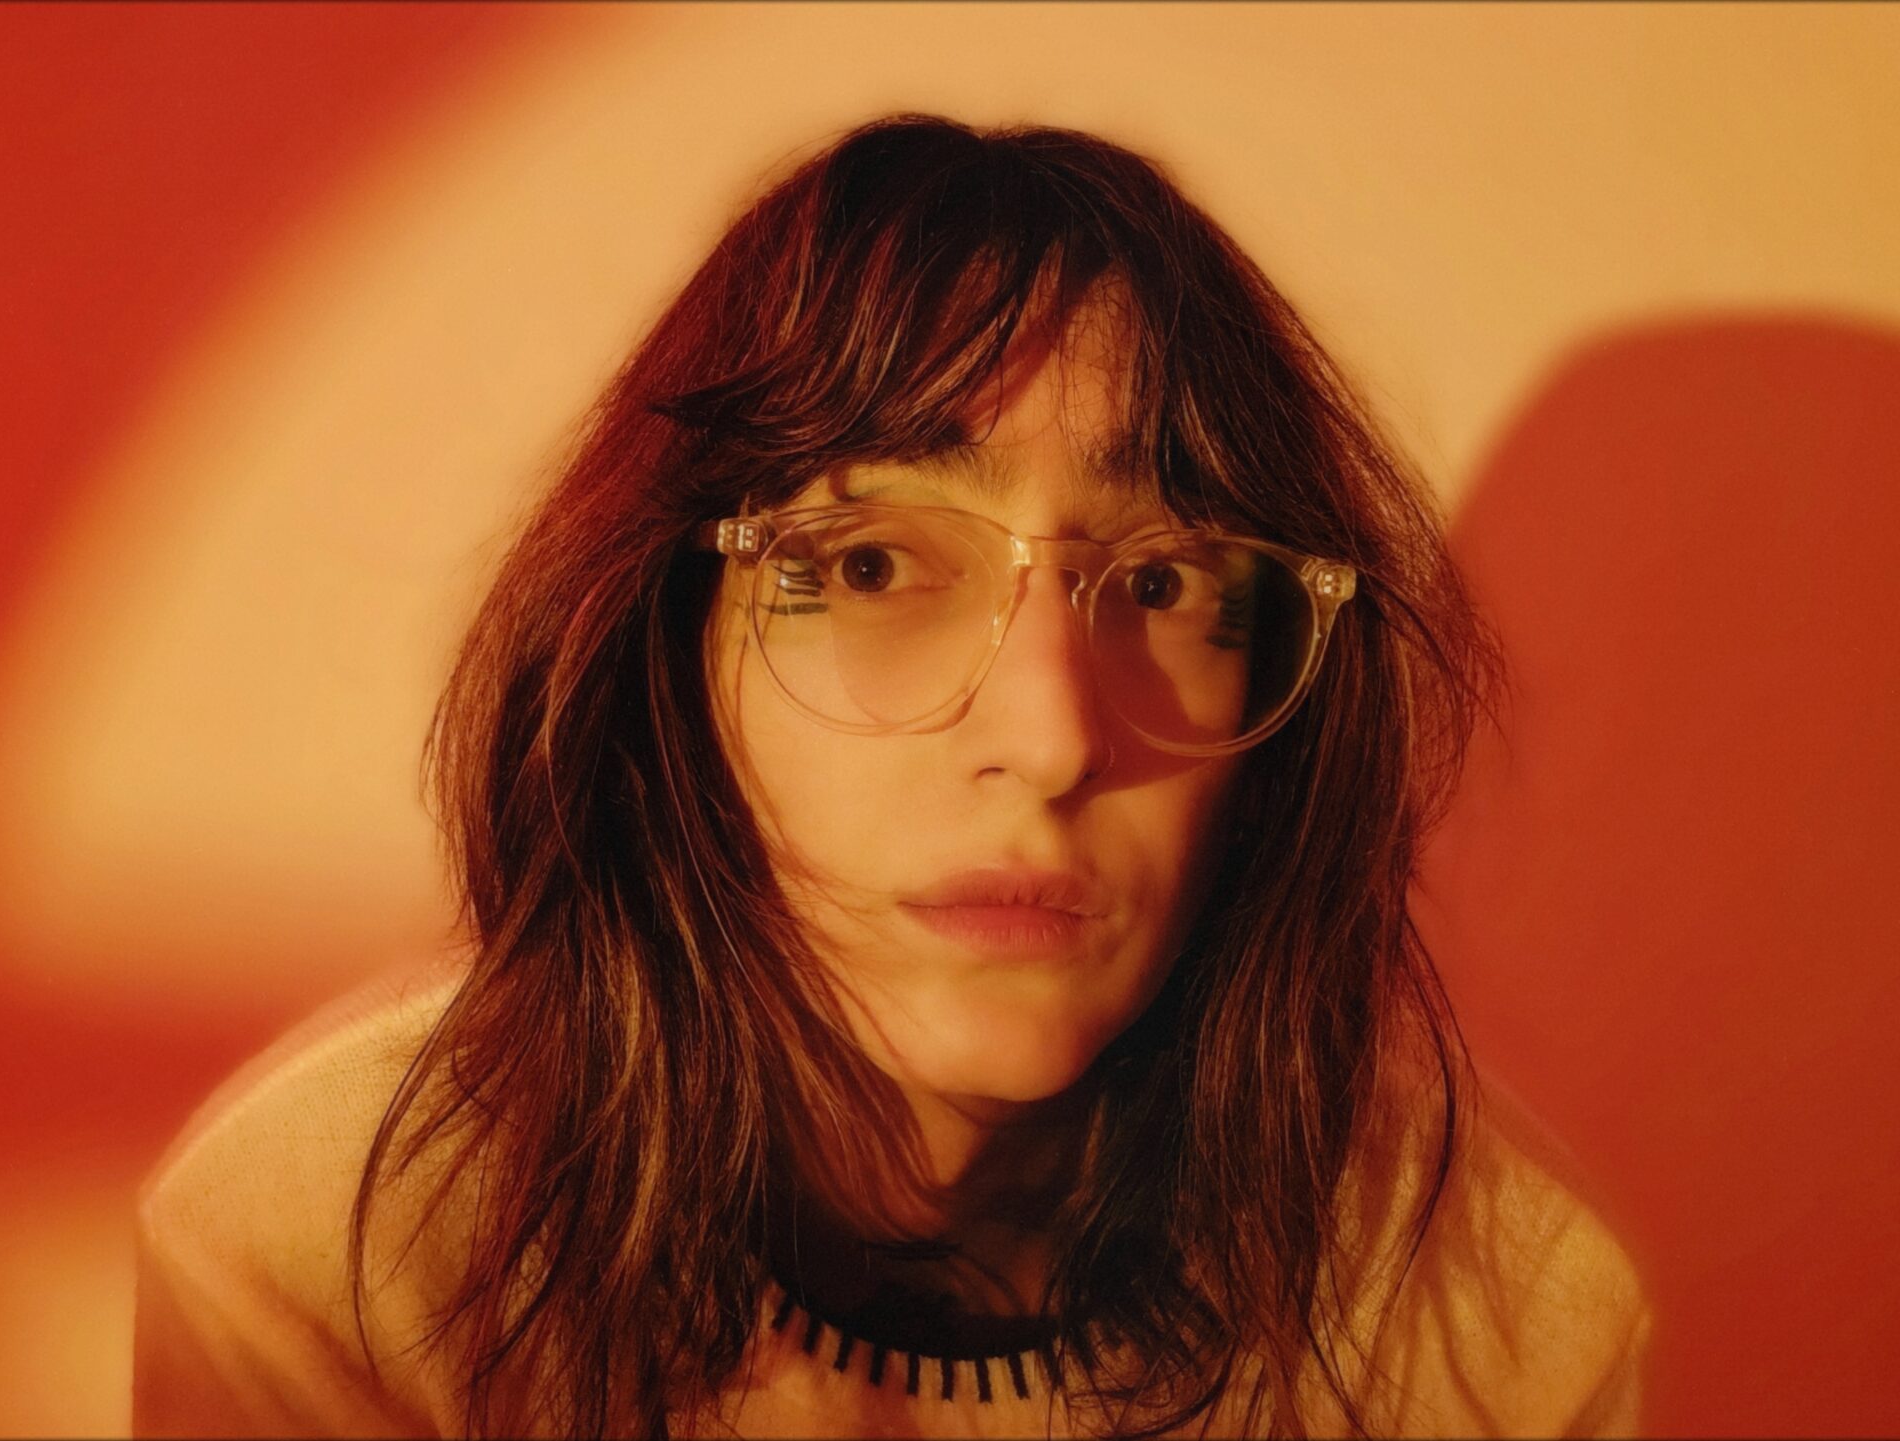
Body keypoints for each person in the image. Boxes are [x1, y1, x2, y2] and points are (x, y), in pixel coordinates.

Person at [132, 114, 1648, 1439]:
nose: (1053, 739)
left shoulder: (1499, 1328)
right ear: (670, 660)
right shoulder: (346, 1261)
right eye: (870, 565)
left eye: (1166, 583)